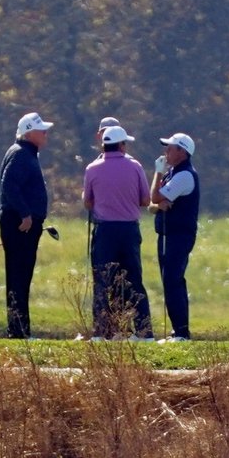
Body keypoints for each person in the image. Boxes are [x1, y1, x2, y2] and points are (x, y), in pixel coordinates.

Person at [81, 126, 153, 341]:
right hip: (129, 230)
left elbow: (87, 202)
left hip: (104, 231)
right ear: (122, 145)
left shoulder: (92, 169)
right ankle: (144, 332)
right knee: (133, 281)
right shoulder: (135, 167)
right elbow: (145, 200)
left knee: (103, 280)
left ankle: (102, 332)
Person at [0, 112, 53, 339]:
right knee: (19, 276)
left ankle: (20, 330)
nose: (45, 134)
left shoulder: (26, 153)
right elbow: (9, 185)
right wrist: (25, 214)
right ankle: (19, 331)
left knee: (21, 276)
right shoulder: (21, 154)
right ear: (29, 133)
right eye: (41, 130)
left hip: (22, 222)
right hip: (19, 223)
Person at [150, 133, 199, 343]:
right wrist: (158, 205)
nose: (166, 152)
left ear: (182, 152)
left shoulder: (184, 175)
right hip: (168, 235)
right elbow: (154, 206)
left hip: (179, 235)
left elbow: (154, 197)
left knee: (173, 280)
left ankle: (181, 333)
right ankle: (177, 331)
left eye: (170, 148)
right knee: (169, 280)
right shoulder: (174, 173)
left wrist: (157, 173)